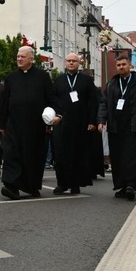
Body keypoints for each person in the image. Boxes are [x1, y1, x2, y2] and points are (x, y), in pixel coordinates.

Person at [0, 46, 61, 200]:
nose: (19, 59)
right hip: (14, 125)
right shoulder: (11, 78)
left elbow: (51, 98)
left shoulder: (42, 77)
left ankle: (32, 186)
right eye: (18, 56)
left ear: (31, 59)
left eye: (22, 57)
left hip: (35, 126)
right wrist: (2, 125)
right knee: (11, 154)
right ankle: (11, 186)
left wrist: (57, 115)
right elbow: (5, 102)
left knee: (33, 156)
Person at [99, 54, 136, 201]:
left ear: (130, 65)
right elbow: (104, 103)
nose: (121, 67)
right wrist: (101, 119)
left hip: (133, 126)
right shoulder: (112, 83)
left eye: (124, 64)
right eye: (118, 65)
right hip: (116, 126)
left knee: (132, 157)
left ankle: (131, 186)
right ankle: (121, 185)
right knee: (118, 157)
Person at [52, 53, 99, 195]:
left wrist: (92, 121)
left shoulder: (86, 80)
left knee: (78, 153)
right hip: (62, 122)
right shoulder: (59, 80)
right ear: (65, 63)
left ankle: (75, 184)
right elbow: (53, 100)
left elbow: (93, 102)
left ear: (79, 63)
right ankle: (62, 184)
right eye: (69, 61)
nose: (71, 63)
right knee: (61, 154)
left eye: (74, 61)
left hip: (81, 122)